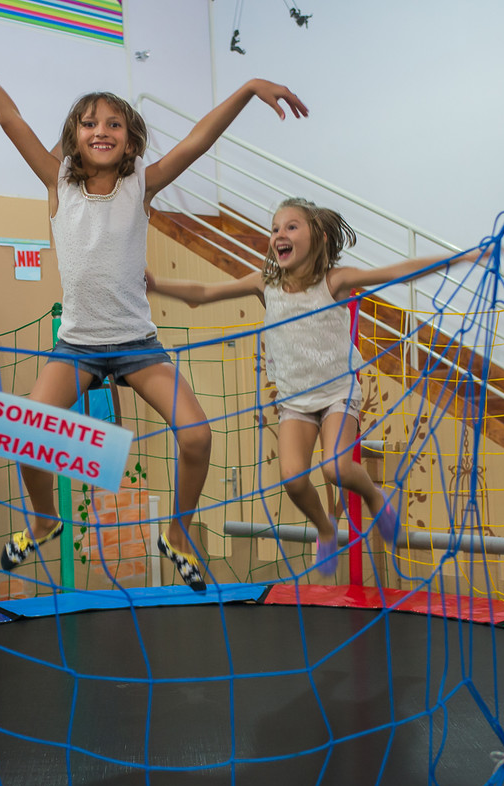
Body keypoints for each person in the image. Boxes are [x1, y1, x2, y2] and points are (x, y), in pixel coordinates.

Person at [0, 20, 308, 591]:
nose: (102, 130)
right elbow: (9, 117)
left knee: (198, 436)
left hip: (138, 345)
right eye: (90, 123)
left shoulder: (141, 185)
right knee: (27, 435)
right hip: (78, 346)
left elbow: (198, 140)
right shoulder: (57, 183)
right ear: (73, 137)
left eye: (114, 123)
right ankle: (44, 520)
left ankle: (178, 532)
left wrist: (246, 89)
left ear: (131, 141)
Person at [147, 197, 486, 575]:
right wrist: (157, 284)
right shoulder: (265, 283)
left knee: (336, 467)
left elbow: (397, 272)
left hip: (337, 392)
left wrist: (460, 259)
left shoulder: (334, 282)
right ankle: (325, 527)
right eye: (275, 228)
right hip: (295, 399)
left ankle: (374, 498)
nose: (280, 234)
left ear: (318, 237)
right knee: (292, 479)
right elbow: (203, 293)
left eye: (291, 226)